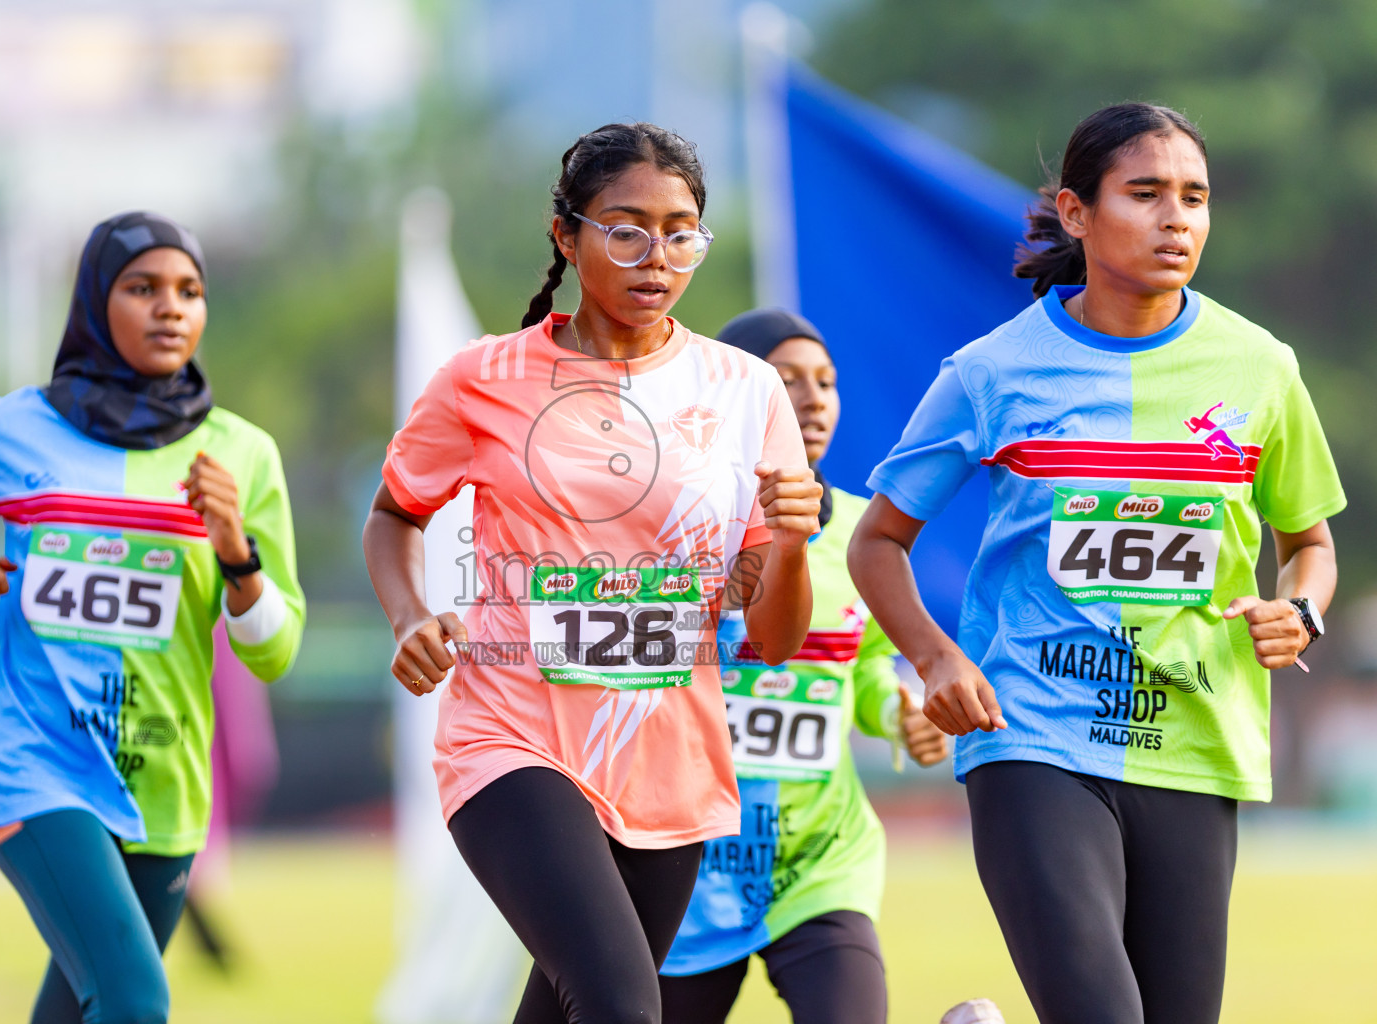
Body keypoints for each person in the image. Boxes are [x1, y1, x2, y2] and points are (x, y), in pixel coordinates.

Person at [848, 103, 1343, 1024]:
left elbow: (1308, 546)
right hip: (1031, 733)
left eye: (1194, 197)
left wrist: (1300, 610)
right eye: (1145, 194)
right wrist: (936, 658)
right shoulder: (993, 372)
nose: (1176, 220)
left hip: (1195, 740)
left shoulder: (1261, 368)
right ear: (1077, 214)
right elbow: (877, 541)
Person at [363, 123, 822, 1024]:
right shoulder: (482, 379)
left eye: (682, 230)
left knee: (579, 1006)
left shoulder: (745, 390)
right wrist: (410, 612)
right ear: (567, 236)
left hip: (669, 759)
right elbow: (393, 515)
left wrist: (795, 541)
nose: (657, 256)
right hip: (511, 739)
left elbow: (772, 640)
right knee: (620, 1003)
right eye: (626, 228)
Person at [0, 211, 305, 1024]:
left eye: (189, 291)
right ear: (93, 302)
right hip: (35, 765)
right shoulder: (10, 430)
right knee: (134, 997)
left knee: (82, 1009)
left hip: (165, 781)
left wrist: (236, 554)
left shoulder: (242, 455)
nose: (170, 308)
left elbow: (276, 651)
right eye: (142, 287)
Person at [657, 308, 948, 1024]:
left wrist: (898, 714)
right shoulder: (665, 532)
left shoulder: (861, 534)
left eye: (826, 382)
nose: (815, 400)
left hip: (818, 863)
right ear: (733, 397)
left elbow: (867, 661)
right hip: (683, 872)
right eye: (787, 382)